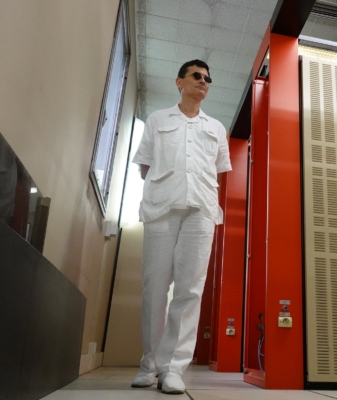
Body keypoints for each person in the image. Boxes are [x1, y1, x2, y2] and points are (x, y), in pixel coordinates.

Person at [130, 59, 232, 394]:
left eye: (208, 78)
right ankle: (149, 364)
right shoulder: (158, 119)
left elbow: (218, 171)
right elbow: (144, 166)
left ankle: (173, 368)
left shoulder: (216, 127)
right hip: (161, 208)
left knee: (190, 290)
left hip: (201, 211)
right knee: (155, 288)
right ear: (180, 82)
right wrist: (167, 188)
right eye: (197, 76)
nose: (204, 81)